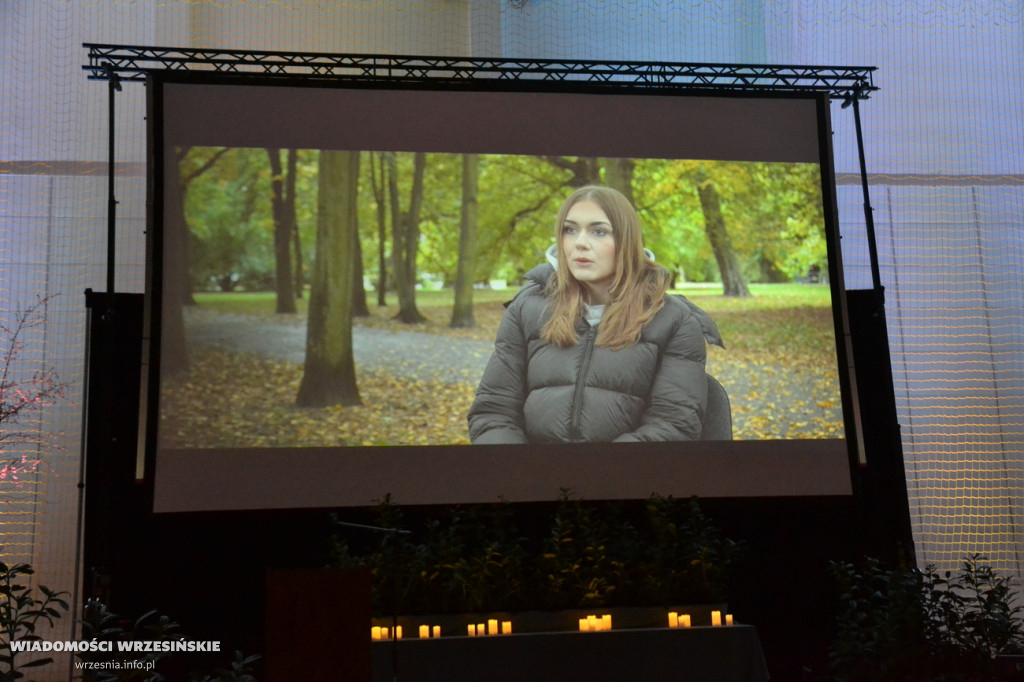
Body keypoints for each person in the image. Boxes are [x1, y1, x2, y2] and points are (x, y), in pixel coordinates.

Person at [468, 185, 716, 444]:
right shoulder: (526, 309)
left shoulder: (674, 320)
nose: (580, 243)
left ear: (626, 241)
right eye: (570, 230)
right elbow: (493, 414)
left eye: (599, 232)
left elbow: (673, 426)